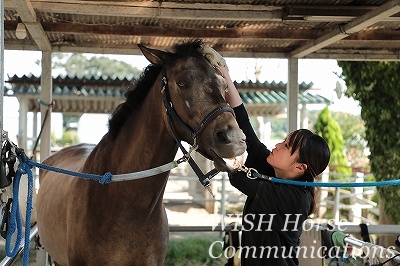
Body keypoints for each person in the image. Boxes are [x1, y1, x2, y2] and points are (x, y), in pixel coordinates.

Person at [202, 46, 331, 265]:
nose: (278, 145)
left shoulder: (298, 198)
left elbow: (242, 180)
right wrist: (226, 76)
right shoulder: (273, 170)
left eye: (287, 147)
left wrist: (231, 163)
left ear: (300, 167)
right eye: (283, 140)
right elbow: (246, 129)